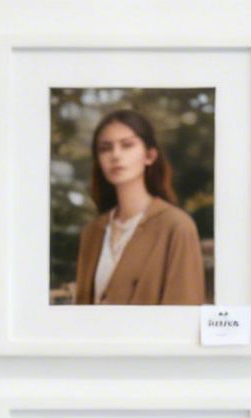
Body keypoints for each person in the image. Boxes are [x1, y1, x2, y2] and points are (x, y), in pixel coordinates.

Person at [71, 110, 207, 306]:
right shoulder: (92, 232)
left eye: (127, 145)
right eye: (105, 148)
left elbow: (184, 315)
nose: (115, 155)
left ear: (150, 155)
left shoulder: (177, 227)